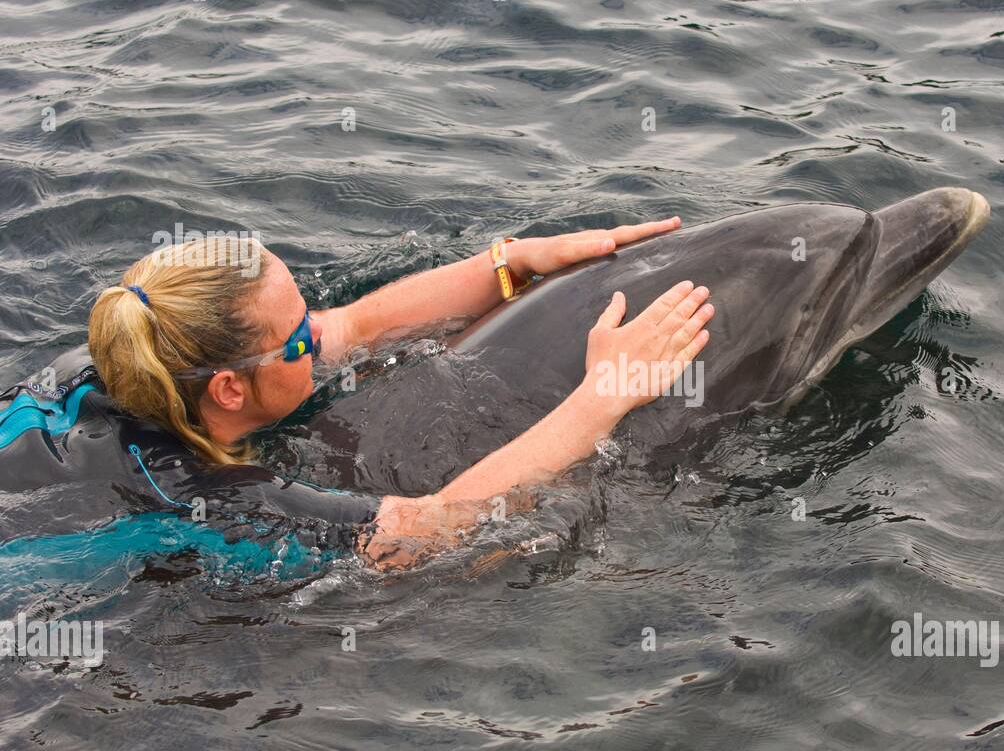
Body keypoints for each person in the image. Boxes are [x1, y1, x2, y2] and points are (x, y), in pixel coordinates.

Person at [7, 221, 713, 572]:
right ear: (227, 388)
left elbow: (356, 325)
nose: (317, 338)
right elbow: (425, 529)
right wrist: (605, 393)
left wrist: (510, 262)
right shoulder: (206, 496)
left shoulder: (125, 350)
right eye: (296, 342)